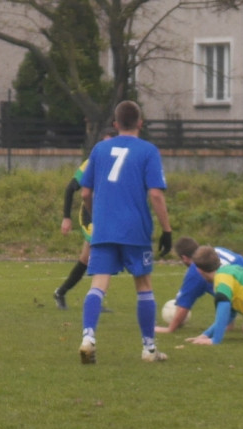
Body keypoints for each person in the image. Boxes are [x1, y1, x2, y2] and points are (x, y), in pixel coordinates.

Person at [78, 100, 172, 364]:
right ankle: (149, 349)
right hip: (135, 229)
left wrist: (95, 215)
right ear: (141, 123)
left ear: (115, 124)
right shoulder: (148, 151)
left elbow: (86, 192)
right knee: (143, 284)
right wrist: (167, 230)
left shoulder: (99, 149)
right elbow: (155, 194)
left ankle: (88, 338)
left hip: (104, 227)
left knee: (99, 283)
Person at [53, 127, 117, 310]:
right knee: (100, 253)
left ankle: (61, 292)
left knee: (86, 258)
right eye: (103, 143)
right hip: (90, 215)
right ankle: (94, 299)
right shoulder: (92, 162)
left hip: (108, 214)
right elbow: (70, 188)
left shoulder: (121, 164)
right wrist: (66, 217)